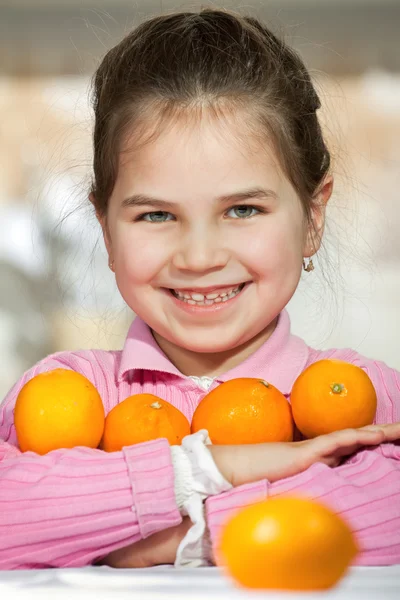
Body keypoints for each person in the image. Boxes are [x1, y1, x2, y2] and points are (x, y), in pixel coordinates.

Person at [0, 8, 399, 571]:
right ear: (105, 227)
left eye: (243, 209)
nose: (199, 257)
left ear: (312, 219)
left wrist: (187, 538)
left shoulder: (363, 396)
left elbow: (389, 507)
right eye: (157, 215)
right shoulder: (65, 390)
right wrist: (203, 470)